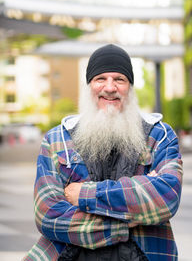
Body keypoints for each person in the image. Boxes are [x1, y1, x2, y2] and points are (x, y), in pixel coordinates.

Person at [23, 44, 183, 261]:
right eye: (100, 79)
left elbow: (166, 197)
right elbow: (48, 215)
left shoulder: (160, 135)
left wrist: (84, 195)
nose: (110, 87)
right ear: (89, 86)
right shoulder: (56, 139)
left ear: (130, 87)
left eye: (119, 79)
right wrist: (126, 222)